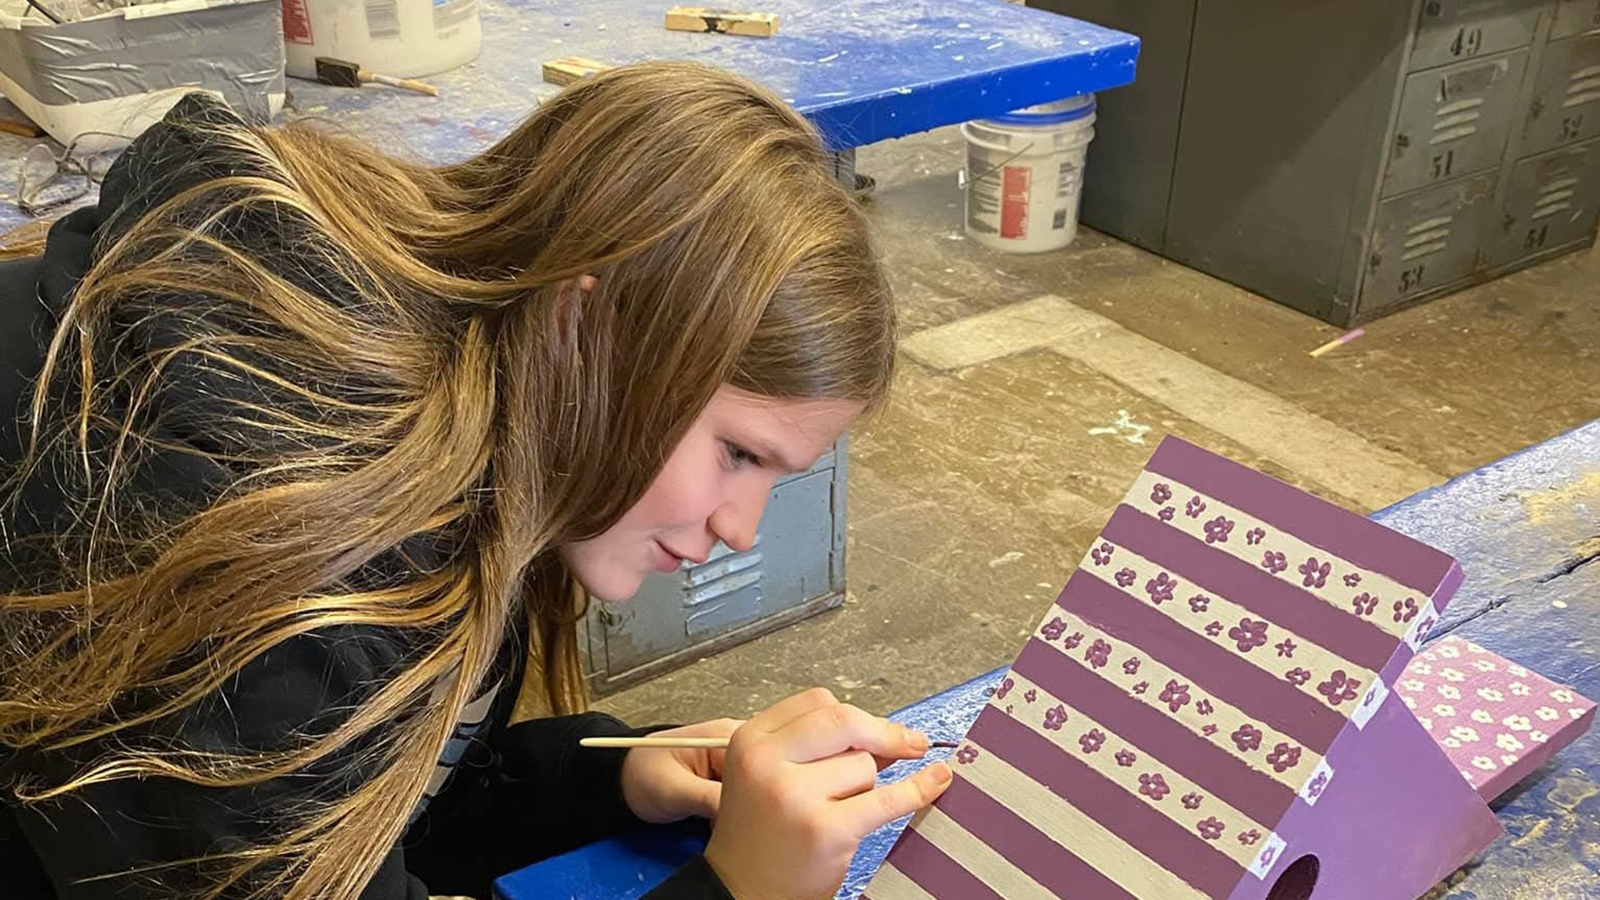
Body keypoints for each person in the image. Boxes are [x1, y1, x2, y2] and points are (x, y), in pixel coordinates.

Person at [0, 62, 952, 900]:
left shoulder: (440, 420)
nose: (742, 528)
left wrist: (601, 775)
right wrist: (739, 888)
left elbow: (368, 797)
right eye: (738, 453)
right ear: (580, 337)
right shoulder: (273, 554)